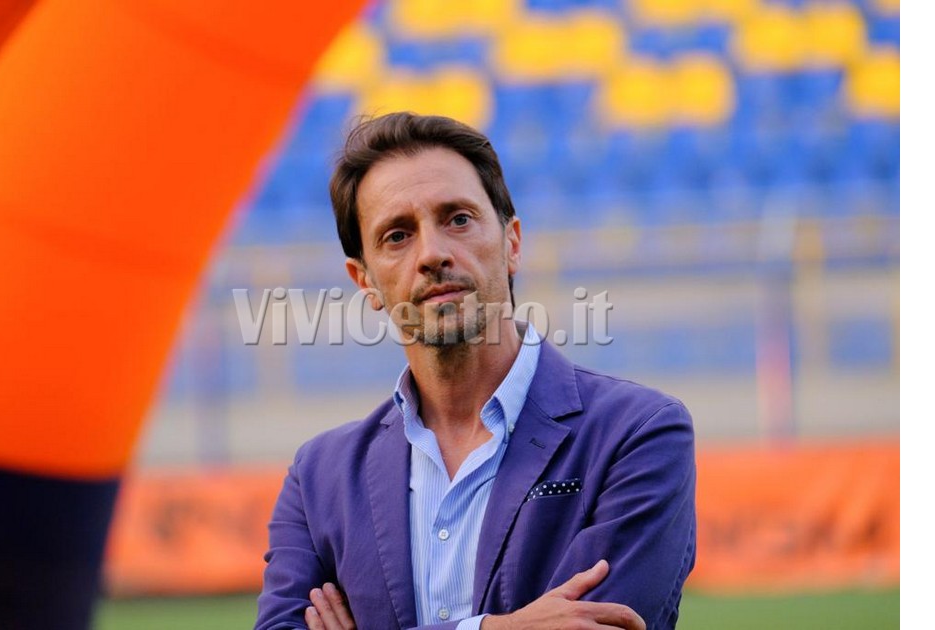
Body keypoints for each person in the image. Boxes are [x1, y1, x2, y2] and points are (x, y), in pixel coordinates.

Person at [255, 112, 696, 630]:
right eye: (397, 235)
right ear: (365, 281)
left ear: (512, 244)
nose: (432, 253)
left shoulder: (638, 432)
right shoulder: (318, 478)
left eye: (458, 219)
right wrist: (498, 628)